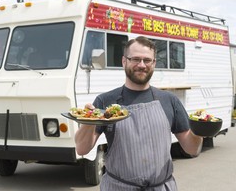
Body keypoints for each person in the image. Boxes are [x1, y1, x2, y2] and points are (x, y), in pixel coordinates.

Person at [74, 36, 203, 191]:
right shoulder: (105, 101)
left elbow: (192, 149)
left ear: (154, 63)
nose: (141, 65)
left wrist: (201, 130)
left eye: (147, 60)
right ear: (124, 61)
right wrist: (89, 120)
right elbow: (82, 149)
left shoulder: (169, 101)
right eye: (135, 59)